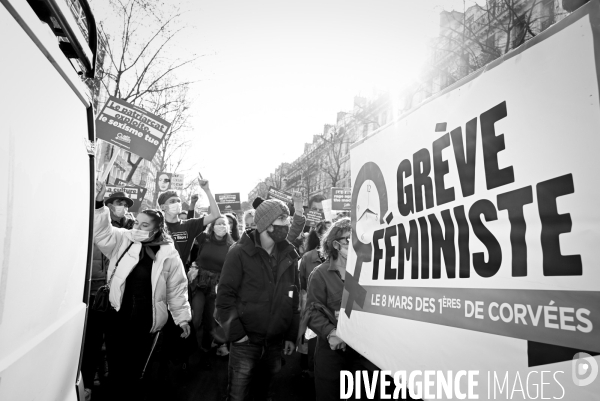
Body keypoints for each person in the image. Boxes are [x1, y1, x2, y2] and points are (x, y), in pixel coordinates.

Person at [93, 180, 191, 401]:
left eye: (144, 225)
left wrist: (182, 318)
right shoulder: (124, 239)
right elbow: (101, 234)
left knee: (136, 368)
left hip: (146, 319)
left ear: (157, 228)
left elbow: (177, 289)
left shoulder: (168, 253)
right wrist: (99, 203)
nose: (137, 228)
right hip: (117, 313)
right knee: (116, 365)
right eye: (136, 223)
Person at [216, 198, 304, 401]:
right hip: (245, 342)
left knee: (263, 394)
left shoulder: (289, 254)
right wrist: (237, 335)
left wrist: (290, 334)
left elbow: (293, 297)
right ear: (266, 222)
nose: (287, 223)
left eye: (287, 218)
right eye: (282, 218)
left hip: (275, 343)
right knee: (238, 396)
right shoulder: (238, 252)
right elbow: (224, 297)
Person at [305, 217, 378, 401]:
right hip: (332, 354)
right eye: (348, 239)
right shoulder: (320, 274)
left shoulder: (368, 272)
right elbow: (312, 312)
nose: (354, 243)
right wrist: (330, 332)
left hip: (364, 354)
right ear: (335, 244)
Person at [82, 192, 135, 398]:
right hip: (95, 289)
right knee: (92, 338)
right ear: (108, 204)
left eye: (125, 203)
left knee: (116, 338)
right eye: (118, 202)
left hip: (119, 291)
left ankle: (111, 378)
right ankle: (88, 379)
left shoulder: (132, 227)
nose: (122, 206)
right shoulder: (95, 223)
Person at [187, 216, 234, 358]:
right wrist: (193, 206)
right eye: (218, 223)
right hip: (200, 283)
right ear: (212, 226)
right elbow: (192, 225)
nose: (221, 226)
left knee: (210, 320)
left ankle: (206, 350)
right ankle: (191, 346)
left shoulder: (232, 245)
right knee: (196, 317)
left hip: (217, 287)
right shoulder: (204, 239)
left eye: (224, 224)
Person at [297, 220, 331, 378]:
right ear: (318, 235)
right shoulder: (307, 258)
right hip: (313, 306)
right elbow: (302, 283)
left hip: (333, 309)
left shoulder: (344, 258)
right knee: (310, 338)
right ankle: (308, 368)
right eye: (326, 231)